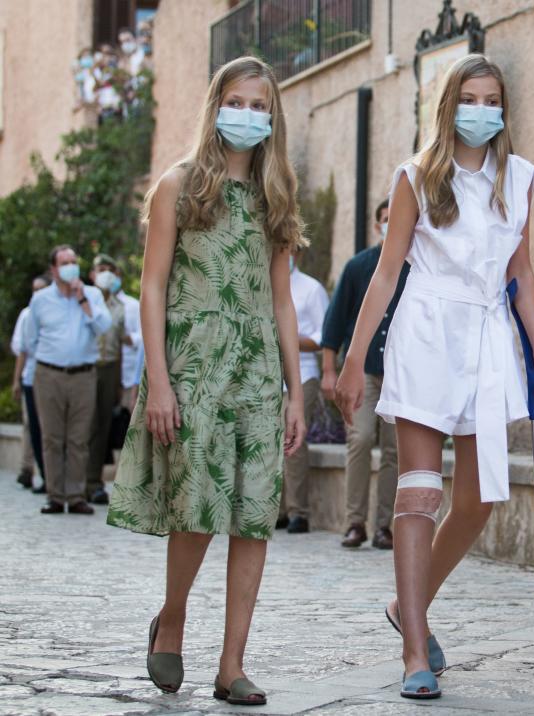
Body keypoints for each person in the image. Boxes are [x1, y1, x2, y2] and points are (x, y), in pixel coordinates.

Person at [335, 54, 534, 700]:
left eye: (493, 99)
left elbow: (521, 273)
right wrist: (355, 359)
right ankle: (415, 649)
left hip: (489, 341)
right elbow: (386, 273)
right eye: (470, 97)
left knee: (480, 499)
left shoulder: (517, 179)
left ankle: (406, 604)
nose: (482, 110)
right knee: (418, 492)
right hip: (428, 333)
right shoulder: (416, 176)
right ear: (448, 104)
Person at [106, 56, 306, 706]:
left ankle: (232, 664)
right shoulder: (180, 184)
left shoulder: (278, 194)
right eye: (237, 102)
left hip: (256, 372)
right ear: (216, 105)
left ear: (271, 116)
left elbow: (282, 300)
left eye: (259, 105)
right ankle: (172, 620)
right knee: (196, 508)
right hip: (194, 365)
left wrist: (296, 391)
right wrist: (156, 380)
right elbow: (153, 284)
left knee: (252, 517)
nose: (247, 115)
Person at [321, 198, 405, 550]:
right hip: (365, 374)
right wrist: (329, 370)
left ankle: (385, 525)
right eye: (385, 219)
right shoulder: (359, 267)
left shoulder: (416, 266)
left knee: (394, 451)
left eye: (394, 219)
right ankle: (354, 521)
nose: (390, 224)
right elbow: (336, 321)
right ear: (376, 225)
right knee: (359, 439)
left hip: (401, 375)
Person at [24, 246, 112, 515]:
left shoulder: (92, 294)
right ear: (53, 269)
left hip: (83, 375)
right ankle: (54, 495)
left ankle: (75, 495)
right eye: (64, 262)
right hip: (49, 374)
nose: (70, 266)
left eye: (73, 262)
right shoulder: (40, 300)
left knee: (79, 438)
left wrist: (83, 300)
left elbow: (104, 327)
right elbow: (30, 340)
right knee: (52, 437)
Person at [279, 249, 329, 534]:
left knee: (292, 439)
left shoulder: (311, 289)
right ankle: (278, 509)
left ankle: (299, 511)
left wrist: (293, 340)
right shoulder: (264, 283)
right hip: (270, 376)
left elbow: (324, 336)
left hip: (303, 374)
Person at [86, 254, 129, 505]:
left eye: (110, 270)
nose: (106, 274)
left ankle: (93, 482)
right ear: (93, 274)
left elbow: (121, 346)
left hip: (110, 368)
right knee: (83, 426)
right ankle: (76, 480)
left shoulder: (119, 307)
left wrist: (120, 382)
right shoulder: (83, 299)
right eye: (101, 269)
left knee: (102, 426)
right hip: (87, 367)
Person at [11, 276, 51, 493]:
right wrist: (16, 380)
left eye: (41, 289)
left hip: (49, 378)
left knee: (48, 428)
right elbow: (22, 351)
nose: (37, 293)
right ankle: (27, 470)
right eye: (34, 289)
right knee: (31, 426)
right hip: (31, 377)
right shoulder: (26, 314)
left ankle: (48, 476)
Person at [115, 265, 144, 413]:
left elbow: (143, 341)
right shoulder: (91, 303)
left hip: (127, 375)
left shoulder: (132, 305)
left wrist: (127, 338)